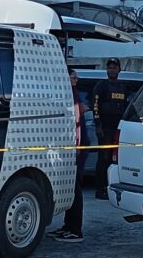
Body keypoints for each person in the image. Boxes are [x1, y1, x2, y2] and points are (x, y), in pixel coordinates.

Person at [50, 68, 87, 243]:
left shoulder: (72, 94)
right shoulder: (67, 93)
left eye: (75, 77)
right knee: (69, 186)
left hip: (76, 145)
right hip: (70, 145)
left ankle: (75, 229)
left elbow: (76, 121)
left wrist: (76, 146)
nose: (75, 80)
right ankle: (68, 225)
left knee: (74, 187)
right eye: (72, 77)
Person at [91, 57, 129, 200]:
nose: (112, 70)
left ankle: (111, 187)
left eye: (114, 68)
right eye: (110, 68)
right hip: (105, 128)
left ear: (119, 70)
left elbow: (126, 107)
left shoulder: (123, 87)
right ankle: (99, 189)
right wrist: (98, 125)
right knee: (104, 158)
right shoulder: (101, 86)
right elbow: (95, 106)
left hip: (118, 128)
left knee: (115, 159)